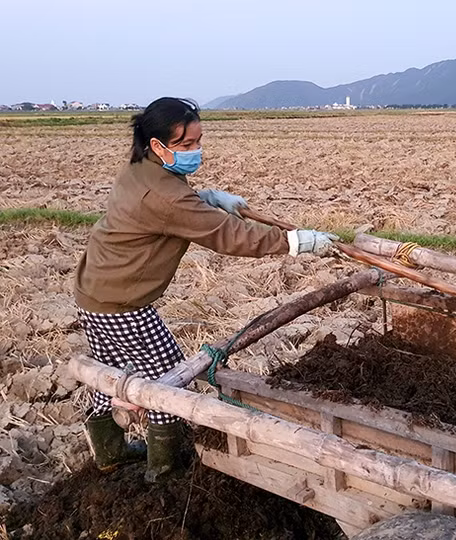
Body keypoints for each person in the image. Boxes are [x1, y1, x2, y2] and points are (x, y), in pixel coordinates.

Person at [73, 97, 337, 482]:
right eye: (186, 144)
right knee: (167, 379)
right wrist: (293, 242)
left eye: (198, 141)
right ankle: (165, 468)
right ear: (158, 145)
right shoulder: (163, 194)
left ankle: (109, 453)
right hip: (122, 303)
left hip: (94, 292)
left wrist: (205, 198)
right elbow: (226, 234)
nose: (195, 150)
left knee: (110, 371)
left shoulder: (142, 169)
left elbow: (174, 205)